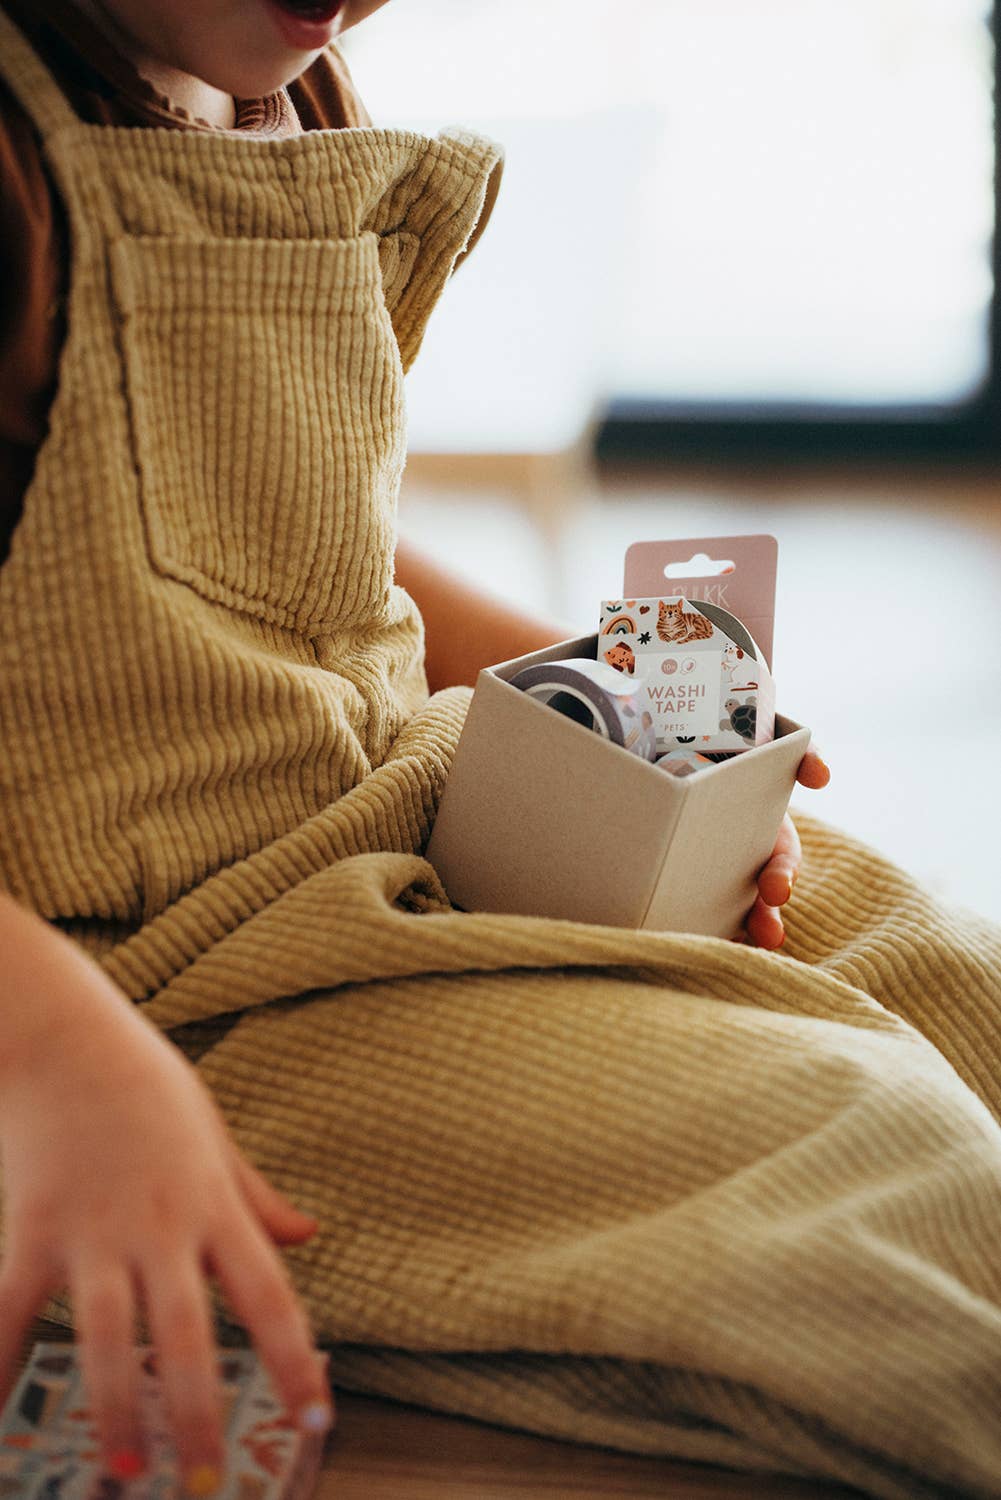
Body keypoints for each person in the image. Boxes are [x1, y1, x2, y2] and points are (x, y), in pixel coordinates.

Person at [1, 4, 999, 1499]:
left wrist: (625, 702)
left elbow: (290, 529)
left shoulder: (271, 78)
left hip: (373, 812)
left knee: (942, 973)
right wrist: (53, 1054)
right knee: (873, 1161)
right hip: (137, 992)